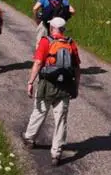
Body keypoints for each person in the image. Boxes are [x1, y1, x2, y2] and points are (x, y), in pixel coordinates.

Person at [21, 16, 80, 166]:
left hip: (47, 85)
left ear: (52, 28)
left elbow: (38, 63)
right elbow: (77, 68)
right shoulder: (71, 43)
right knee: (61, 119)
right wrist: (76, 86)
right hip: (65, 86)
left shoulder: (46, 41)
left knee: (40, 111)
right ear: (63, 29)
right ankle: (57, 153)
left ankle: (29, 138)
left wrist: (30, 82)